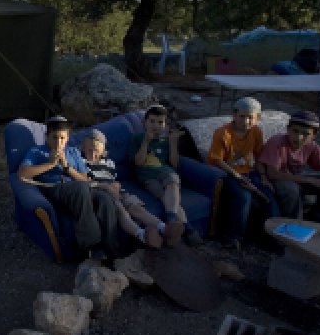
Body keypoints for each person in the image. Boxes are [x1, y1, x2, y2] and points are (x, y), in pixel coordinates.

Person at [18, 116, 119, 259]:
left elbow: (86, 179)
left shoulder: (73, 152)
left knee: (104, 199)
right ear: (47, 137)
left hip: (78, 189)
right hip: (54, 189)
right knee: (80, 189)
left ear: (67, 138)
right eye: (54, 137)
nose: (59, 142)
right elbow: (22, 174)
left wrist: (67, 168)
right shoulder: (36, 151)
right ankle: (91, 246)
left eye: (62, 138)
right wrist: (50, 164)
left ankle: (112, 249)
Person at [206, 97, 277, 249]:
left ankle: (269, 237)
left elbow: (259, 156)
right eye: (242, 116)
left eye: (250, 117)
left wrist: (263, 177)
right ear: (234, 115)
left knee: (268, 194)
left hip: (249, 172)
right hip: (226, 174)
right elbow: (217, 160)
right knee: (244, 197)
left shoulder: (256, 132)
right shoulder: (222, 133)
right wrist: (238, 177)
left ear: (257, 118)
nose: (246, 121)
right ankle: (233, 237)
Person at [80, 129, 169, 249]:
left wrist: (117, 186)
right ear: (83, 148)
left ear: (102, 151)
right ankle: (142, 235)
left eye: (96, 150)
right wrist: (106, 187)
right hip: (101, 194)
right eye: (89, 149)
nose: (92, 154)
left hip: (118, 191)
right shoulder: (81, 162)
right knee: (121, 210)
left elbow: (113, 180)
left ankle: (164, 228)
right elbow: (85, 183)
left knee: (136, 208)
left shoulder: (109, 163)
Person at [130, 104, 203, 247]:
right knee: (168, 199)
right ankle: (187, 229)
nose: (155, 126)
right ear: (145, 122)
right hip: (147, 177)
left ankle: (171, 220)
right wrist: (146, 141)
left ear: (165, 124)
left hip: (167, 173)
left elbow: (174, 164)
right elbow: (138, 163)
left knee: (173, 181)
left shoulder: (166, 140)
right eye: (152, 121)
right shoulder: (138, 138)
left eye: (160, 122)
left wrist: (173, 143)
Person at [258, 111, 320, 223]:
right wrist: (311, 180)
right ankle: (295, 225)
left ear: (313, 135)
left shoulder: (311, 146)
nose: (298, 137)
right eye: (295, 131)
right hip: (275, 181)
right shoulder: (277, 142)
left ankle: (315, 222)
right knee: (290, 189)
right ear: (288, 129)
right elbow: (273, 174)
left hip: (296, 179)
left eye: (306, 134)